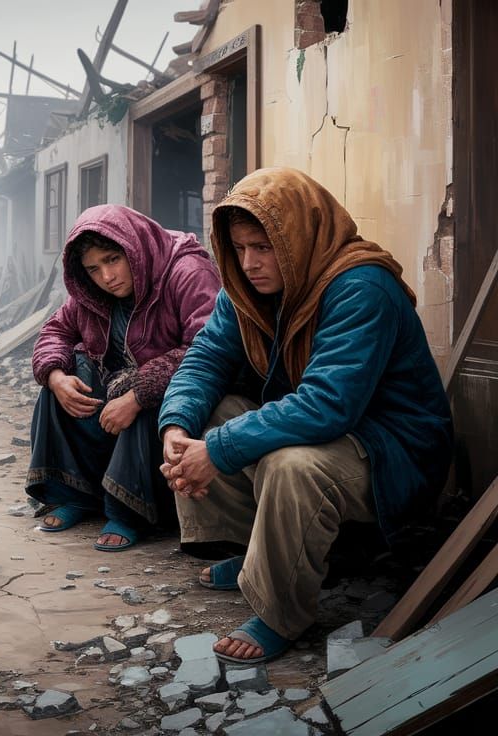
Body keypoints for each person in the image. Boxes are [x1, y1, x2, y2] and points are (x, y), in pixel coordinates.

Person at [158, 167, 453, 664]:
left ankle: (280, 612)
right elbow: (205, 358)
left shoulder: (361, 287)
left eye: (263, 246)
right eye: (239, 248)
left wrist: (221, 449)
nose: (249, 263)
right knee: (214, 416)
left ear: (298, 236)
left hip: (392, 449)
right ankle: (261, 558)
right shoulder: (246, 289)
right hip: (331, 432)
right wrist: (176, 427)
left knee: (290, 465)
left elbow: (327, 404)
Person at [28, 205, 221, 551]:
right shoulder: (91, 293)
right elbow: (55, 331)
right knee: (64, 378)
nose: (106, 276)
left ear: (132, 247)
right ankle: (75, 495)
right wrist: (56, 377)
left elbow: (207, 349)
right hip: (117, 396)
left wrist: (136, 396)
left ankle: (129, 511)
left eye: (113, 259)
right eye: (93, 268)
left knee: (144, 394)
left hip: (178, 397)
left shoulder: (186, 270)